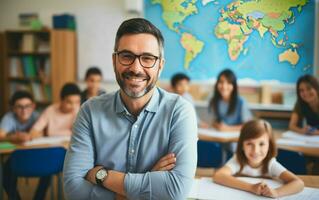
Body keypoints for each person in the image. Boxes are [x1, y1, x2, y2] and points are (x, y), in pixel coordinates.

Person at [63, 18, 198, 200]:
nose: (136, 68)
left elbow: (176, 190)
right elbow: (74, 190)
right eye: (127, 56)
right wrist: (148, 182)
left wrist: (101, 175)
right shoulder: (89, 112)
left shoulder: (179, 112)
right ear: (114, 60)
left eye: (148, 58)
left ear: (160, 66)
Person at [214, 120, 304, 198]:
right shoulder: (238, 160)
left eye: (261, 144)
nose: (255, 151)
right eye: (249, 144)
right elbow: (218, 175)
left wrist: (276, 192)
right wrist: (250, 187)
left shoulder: (270, 164)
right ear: (242, 145)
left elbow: (298, 183)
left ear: (269, 145)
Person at [27, 83, 81, 200]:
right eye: (69, 102)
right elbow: (34, 131)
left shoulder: (78, 111)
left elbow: (80, 135)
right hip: (52, 151)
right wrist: (38, 134)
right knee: (47, 168)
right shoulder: (50, 110)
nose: (73, 106)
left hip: (70, 153)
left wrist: (76, 114)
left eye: (77, 102)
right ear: (61, 100)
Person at [0, 91, 40, 200]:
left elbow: (44, 132)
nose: (24, 110)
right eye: (19, 107)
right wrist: (14, 138)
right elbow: (1, 135)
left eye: (27, 106)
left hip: (36, 154)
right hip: (17, 156)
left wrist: (31, 135)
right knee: (6, 174)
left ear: (33, 106)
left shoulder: (37, 116)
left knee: (50, 165)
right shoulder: (9, 117)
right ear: (13, 108)